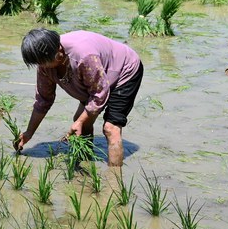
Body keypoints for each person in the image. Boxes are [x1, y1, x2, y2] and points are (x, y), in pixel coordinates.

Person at [14, 28, 144, 167]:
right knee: (81, 121)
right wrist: (29, 133)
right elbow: (43, 101)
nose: (42, 67)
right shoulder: (44, 64)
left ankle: (115, 182)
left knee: (110, 128)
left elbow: (99, 94)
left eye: (45, 62)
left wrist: (81, 121)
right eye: (39, 63)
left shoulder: (84, 56)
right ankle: (87, 163)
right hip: (94, 79)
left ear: (59, 51)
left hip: (124, 71)